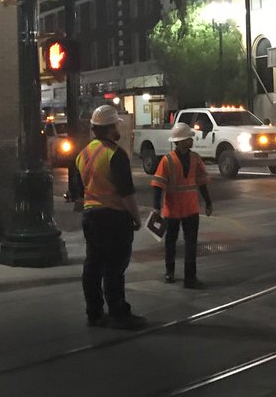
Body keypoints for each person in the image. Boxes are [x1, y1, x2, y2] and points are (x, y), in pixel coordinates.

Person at [73, 105, 146, 329]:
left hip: (91, 216)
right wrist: (136, 217)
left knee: (93, 265)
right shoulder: (115, 154)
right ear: (110, 128)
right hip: (114, 217)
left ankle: (94, 313)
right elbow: (126, 193)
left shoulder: (82, 154)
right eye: (116, 126)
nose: (119, 130)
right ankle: (119, 313)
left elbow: (77, 193)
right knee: (115, 267)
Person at [151, 122, 212, 289]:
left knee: (190, 244)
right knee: (170, 243)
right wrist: (156, 207)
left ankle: (189, 277)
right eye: (188, 138)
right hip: (172, 210)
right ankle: (169, 272)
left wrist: (208, 202)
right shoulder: (167, 160)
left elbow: (202, 182)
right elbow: (158, 185)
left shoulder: (195, 159)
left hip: (190, 209)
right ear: (181, 141)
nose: (191, 140)